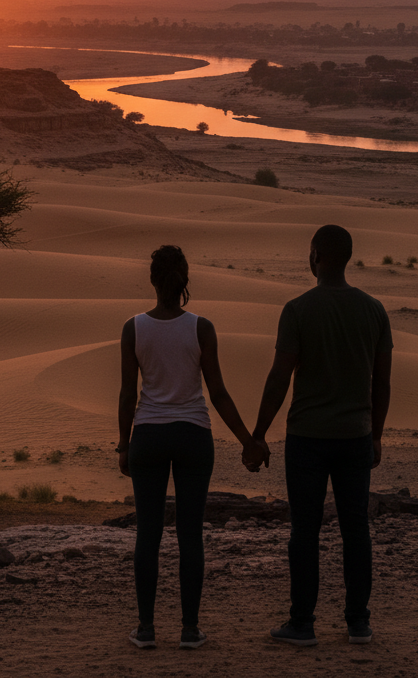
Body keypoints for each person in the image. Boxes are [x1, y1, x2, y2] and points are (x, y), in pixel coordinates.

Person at [117, 245, 266, 651]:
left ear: (152, 279)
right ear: (185, 280)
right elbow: (217, 392)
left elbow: (128, 396)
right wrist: (248, 441)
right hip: (193, 436)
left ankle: (146, 630)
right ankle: (189, 630)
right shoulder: (202, 328)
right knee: (190, 535)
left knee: (147, 535)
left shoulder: (134, 328)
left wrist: (122, 445)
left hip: (148, 435)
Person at [251, 224, 393, 648]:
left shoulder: (297, 309)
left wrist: (258, 434)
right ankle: (358, 622)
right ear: (346, 258)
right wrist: (377, 435)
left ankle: (302, 623)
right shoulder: (374, 309)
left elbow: (279, 378)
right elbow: (381, 383)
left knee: (305, 530)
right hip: (355, 436)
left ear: (315, 256)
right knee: (356, 530)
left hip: (308, 438)